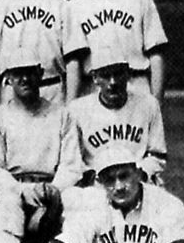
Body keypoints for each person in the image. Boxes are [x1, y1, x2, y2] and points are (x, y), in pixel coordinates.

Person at [0, 48, 82, 243]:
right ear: (8, 78)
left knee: (78, 203)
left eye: (30, 72)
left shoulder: (62, 115)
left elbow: (71, 165)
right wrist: (26, 191)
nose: (25, 79)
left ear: (40, 74)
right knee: (8, 205)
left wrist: (53, 192)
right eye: (18, 74)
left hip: (53, 189)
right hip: (13, 189)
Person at [68, 0, 168, 102]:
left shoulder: (140, 0)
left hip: (135, 84)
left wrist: (156, 101)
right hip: (94, 87)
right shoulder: (75, 7)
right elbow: (74, 62)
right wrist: (71, 107)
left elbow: (156, 55)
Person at [51, 146, 184, 243]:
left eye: (124, 176)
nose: (118, 187)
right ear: (100, 182)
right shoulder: (90, 204)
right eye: (110, 180)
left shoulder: (166, 204)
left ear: (138, 174)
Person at [68, 46, 167, 185]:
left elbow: (157, 154)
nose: (113, 82)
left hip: (138, 182)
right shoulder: (78, 109)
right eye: (106, 76)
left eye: (118, 74)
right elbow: (71, 160)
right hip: (96, 184)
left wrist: (139, 174)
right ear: (95, 78)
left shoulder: (149, 104)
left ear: (128, 74)